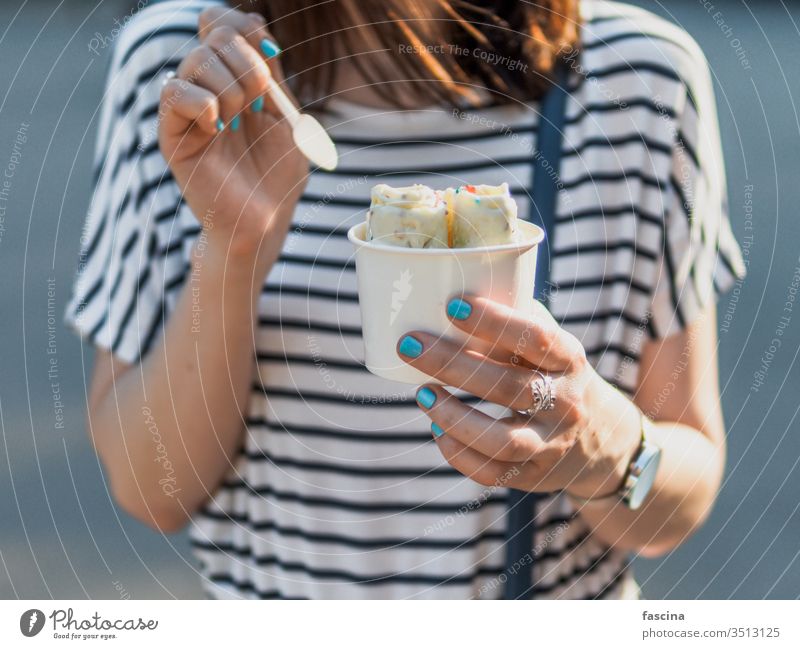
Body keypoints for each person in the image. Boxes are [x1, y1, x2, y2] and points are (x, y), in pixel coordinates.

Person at [66, 0, 746, 599]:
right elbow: (147, 486)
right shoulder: (185, 72)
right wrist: (234, 247)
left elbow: (680, 497)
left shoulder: (643, 79)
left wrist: (610, 446)